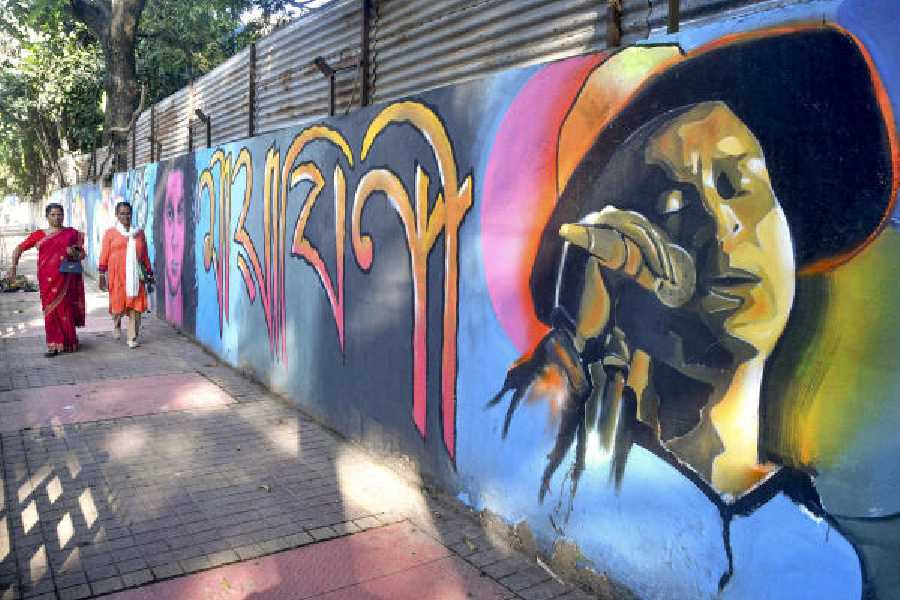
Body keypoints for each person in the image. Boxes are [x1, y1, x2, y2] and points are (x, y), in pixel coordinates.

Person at [488, 26, 896, 595]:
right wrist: (583, 341)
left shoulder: (829, 555)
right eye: (672, 202)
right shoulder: (579, 462)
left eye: (739, 182)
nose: (722, 222)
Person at [5, 203, 86, 356]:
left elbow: (82, 254)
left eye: (60, 214)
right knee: (49, 309)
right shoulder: (39, 235)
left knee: (65, 308)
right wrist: (13, 267)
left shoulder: (71, 233)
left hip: (66, 277)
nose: (57, 218)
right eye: (53, 215)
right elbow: (19, 248)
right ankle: (53, 344)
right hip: (47, 278)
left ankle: (69, 342)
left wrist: (74, 252)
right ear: (47, 216)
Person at [99, 201, 154, 348]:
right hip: (117, 276)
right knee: (117, 306)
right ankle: (116, 324)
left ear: (132, 214)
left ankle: (132, 337)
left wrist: (149, 272)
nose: (125, 216)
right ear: (116, 215)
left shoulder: (139, 233)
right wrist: (101, 274)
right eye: (122, 213)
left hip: (136, 277)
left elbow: (144, 255)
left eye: (128, 213)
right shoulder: (110, 233)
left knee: (135, 306)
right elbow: (104, 253)